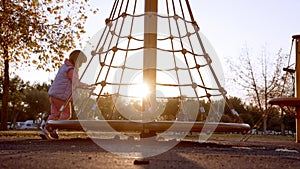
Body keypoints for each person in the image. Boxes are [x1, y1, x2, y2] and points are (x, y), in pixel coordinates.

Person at [40, 50, 87, 139]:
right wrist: (88, 87)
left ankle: (47, 128)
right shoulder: (71, 70)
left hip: (54, 94)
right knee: (66, 114)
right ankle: (49, 126)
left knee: (54, 114)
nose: (80, 65)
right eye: (80, 63)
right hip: (62, 96)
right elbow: (76, 83)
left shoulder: (64, 67)